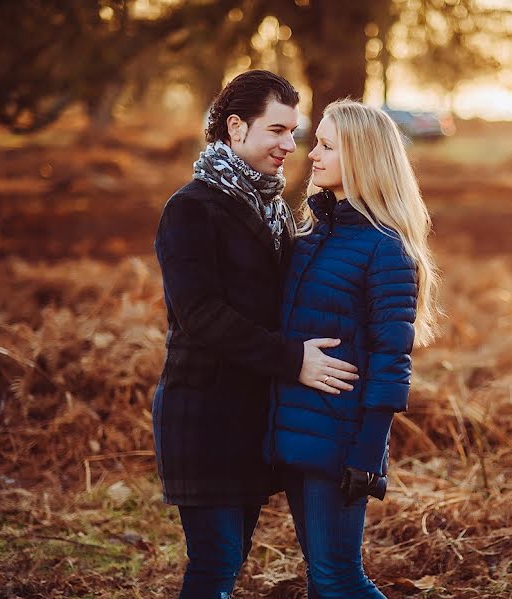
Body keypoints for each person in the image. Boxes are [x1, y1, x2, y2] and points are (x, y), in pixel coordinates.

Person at [152, 70, 360, 599]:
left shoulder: (271, 208)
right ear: (236, 126)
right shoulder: (190, 209)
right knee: (216, 562)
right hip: (202, 418)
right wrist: (294, 361)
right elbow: (201, 316)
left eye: (295, 132)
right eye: (277, 131)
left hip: (253, 419)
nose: (290, 145)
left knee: (229, 560)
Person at [264, 99, 442, 598]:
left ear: (360, 157)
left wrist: (367, 452)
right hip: (297, 431)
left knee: (339, 578)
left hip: (340, 442)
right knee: (320, 579)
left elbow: (391, 361)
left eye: (325, 146)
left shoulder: (386, 249)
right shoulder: (313, 235)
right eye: (314, 142)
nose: (311, 155)